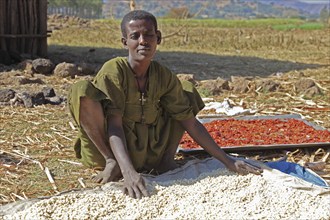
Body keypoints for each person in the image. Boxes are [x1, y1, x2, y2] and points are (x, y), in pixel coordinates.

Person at [67, 10, 262, 199]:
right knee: (81, 90)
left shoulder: (163, 76)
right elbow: (115, 125)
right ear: (125, 42)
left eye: (149, 35)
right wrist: (128, 171)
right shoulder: (114, 71)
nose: (143, 41)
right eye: (135, 36)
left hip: (150, 152)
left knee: (186, 91)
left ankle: (165, 162)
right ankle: (112, 162)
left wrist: (228, 162)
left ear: (158, 38)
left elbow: (190, 123)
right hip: (112, 150)